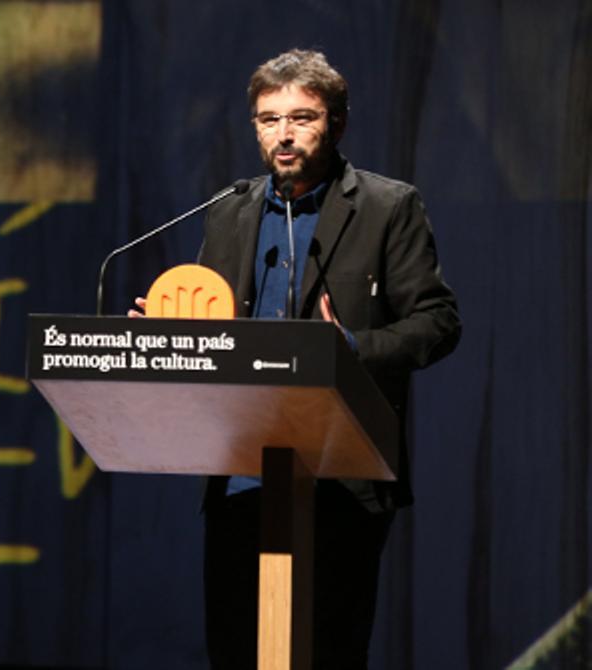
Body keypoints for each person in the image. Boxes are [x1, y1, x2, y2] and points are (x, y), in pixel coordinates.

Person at [131, 49, 461, 668]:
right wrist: (169, 337)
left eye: (301, 118)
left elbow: (439, 323)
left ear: (335, 124)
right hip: (241, 472)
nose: (283, 134)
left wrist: (351, 349)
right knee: (234, 650)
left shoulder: (389, 207)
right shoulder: (229, 209)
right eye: (268, 119)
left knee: (328, 650)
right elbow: (213, 327)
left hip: (343, 471)